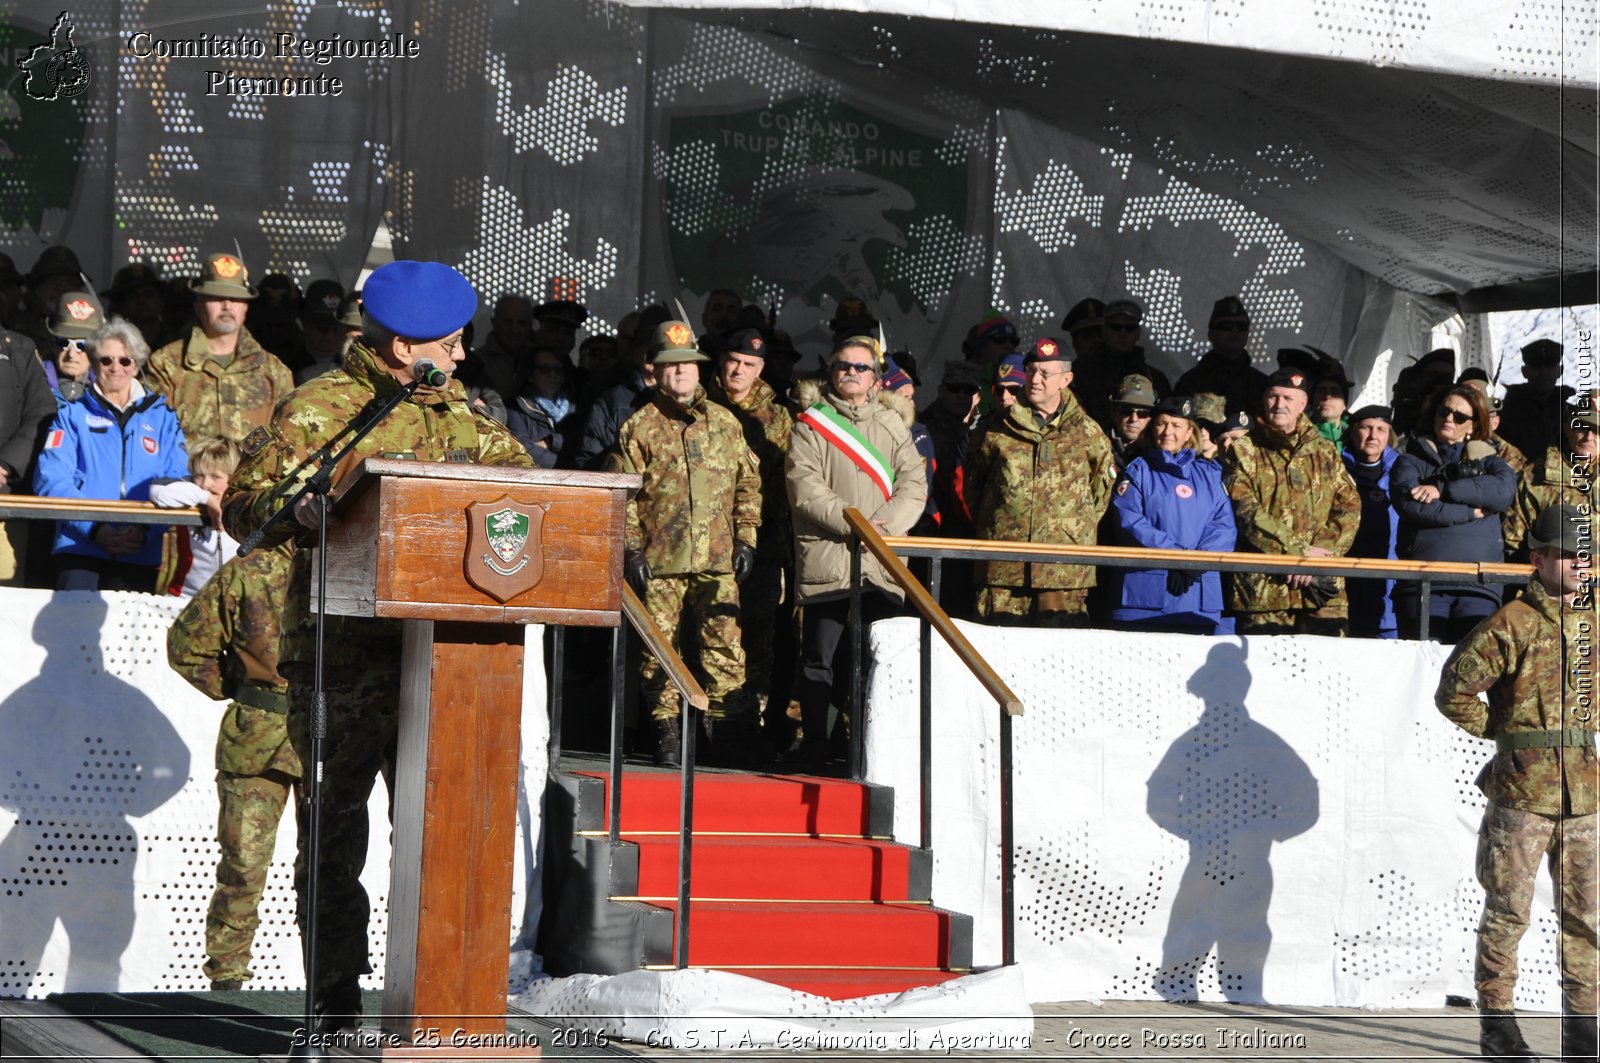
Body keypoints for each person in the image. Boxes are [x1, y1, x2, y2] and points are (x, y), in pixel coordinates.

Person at [222, 260, 533, 1033]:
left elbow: (535, 497)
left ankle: (437, 1000)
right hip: (342, 661)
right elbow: (241, 504)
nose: (462, 358)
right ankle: (332, 1002)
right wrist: (301, 509)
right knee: (335, 834)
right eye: (452, 344)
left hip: (451, 669)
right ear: (404, 348)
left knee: (444, 834)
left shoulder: (469, 419)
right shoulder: (321, 407)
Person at [1435, 503, 1597, 1063]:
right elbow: (1453, 690)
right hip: (1523, 796)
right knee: (1508, 911)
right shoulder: (1512, 624)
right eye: (1568, 554)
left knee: (1588, 919)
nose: (1581, 564)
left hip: (1585, 795)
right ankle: (1498, 1025)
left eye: (1587, 555)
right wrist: (1504, 733)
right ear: (1537, 559)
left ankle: (1584, 1030)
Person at [616, 320, 762, 765]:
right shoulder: (638, 427)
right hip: (660, 561)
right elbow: (623, 495)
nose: (680, 373)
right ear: (653, 372)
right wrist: (631, 548)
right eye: (669, 366)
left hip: (717, 559)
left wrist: (746, 538)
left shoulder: (725, 423)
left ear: (701, 370)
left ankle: (728, 738)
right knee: (658, 650)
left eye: (687, 365)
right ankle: (666, 735)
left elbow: (748, 485)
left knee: (724, 648)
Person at [787, 335, 927, 771]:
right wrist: (856, 524)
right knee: (820, 660)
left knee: (871, 662)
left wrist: (881, 526)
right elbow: (804, 488)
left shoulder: (892, 427)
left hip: (880, 561)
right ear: (832, 372)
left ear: (876, 379)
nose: (851, 372)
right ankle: (816, 748)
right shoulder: (811, 425)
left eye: (860, 368)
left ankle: (864, 752)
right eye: (843, 366)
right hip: (831, 554)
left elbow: (914, 485)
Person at [166, 539, 300, 992]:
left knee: (330, 872)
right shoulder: (248, 570)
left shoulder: (353, 561)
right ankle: (227, 982)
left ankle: (332, 990)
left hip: (331, 732)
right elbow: (187, 646)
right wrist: (240, 690)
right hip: (258, 736)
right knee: (243, 866)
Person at [964, 337, 1115, 627]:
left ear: (1066, 379)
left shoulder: (1087, 433)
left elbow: (1100, 492)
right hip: (1004, 569)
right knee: (995, 657)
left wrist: (1065, 529)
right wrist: (1003, 525)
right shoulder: (995, 428)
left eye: (1046, 373)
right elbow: (975, 487)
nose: (1035, 379)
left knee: (1059, 660)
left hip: (1063, 571)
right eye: (1031, 370)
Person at [33, 317, 191, 591]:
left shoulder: (163, 418)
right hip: (79, 551)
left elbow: (179, 481)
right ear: (94, 363)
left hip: (140, 552)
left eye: (125, 361)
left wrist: (145, 532)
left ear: (137, 364)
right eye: (106, 360)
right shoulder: (71, 416)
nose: (115, 367)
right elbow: (51, 479)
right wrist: (94, 528)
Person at [1221, 366, 1361, 635]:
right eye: (1273, 396)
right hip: (1266, 590)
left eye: (1288, 398)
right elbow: (1246, 513)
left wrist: (1318, 555)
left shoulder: (1324, 451)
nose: (1279, 404)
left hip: (1323, 590)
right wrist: (1298, 552)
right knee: (1266, 672)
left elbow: (1349, 507)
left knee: (1325, 672)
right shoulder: (1243, 450)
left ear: (1303, 404)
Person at [707, 327, 795, 740]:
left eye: (750, 365)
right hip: (703, 544)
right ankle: (706, 722)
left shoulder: (778, 417)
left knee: (757, 636)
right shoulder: (699, 405)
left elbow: (784, 483)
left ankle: (750, 725)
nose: (739, 370)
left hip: (764, 546)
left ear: (761, 369)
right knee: (705, 631)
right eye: (734, 361)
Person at [1389, 384, 1517, 643]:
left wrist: (1442, 489)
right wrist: (1471, 511)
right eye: (1443, 412)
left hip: (1478, 587)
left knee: (1470, 673)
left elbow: (1503, 492)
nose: (1448, 419)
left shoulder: (1490, 462)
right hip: (1423, 585)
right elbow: (1416, 508)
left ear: (1472, 425)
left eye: (1459, 417)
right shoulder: (1409, 460)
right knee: (1421, 669)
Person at [1109, 396, 1236, 634]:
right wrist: (1178, 558)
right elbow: (1131, 523)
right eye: (1161, 424)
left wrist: (1196, 564)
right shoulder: (1137, 472)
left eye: (1177, 426)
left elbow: (1224, 527)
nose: (1168, 432)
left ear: (1189, 433)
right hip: (1145, 599)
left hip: (1198, 596)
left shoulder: (1209, 475)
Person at [142, 252, 294, 445]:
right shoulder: (165, 364)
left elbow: (287, 442)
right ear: (198, 306)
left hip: (251, 475)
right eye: (216, 297)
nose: (227, 306)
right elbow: (149, 436)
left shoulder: (274, 371)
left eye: (236, 299)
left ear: (246, 308)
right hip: (187, 475)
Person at [0, 297, 55, 586]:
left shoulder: (19, 349)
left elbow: (42, 412)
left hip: (4, 502)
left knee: (3, 607)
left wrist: (7, 464)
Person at [1504, 398, 1600, 559]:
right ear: (1567, 428)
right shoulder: (1534, 478)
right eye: (1581, 427)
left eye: (1597, 430)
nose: (1588, 437)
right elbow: (1514, 543)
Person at [153, 435, 241, 598]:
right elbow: (158, 491)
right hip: (184, 599)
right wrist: (207, 499)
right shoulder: (189, 490)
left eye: (216, 477)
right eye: (199, 475)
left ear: (234, 477)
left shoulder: (247, 502)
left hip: (230, 603)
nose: (205, 484)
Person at [1340, 406, 1401, 639]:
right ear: (1353, 432)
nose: (1373, 436)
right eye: (1366, 428)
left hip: (1389, 579)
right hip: (1345, 578)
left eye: (1381, 429)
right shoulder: (1333, 469)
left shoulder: (1404, 472)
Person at [1073, 298, 1171, 427]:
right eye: (1116, 327)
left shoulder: (1155, 378)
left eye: (1130, 328)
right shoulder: (1081, 372)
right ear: (1104, 331)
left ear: (1138, 333)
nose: (1123, 333)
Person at [1173, 296, 1269, 419]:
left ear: (1248, 333)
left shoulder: (1262, 383)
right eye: (1226, 326)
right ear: (1210, 334)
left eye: (1241, 326)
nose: (1234, 331)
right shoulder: (1191, 382)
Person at [1498, 339, 1573, 465]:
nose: (1543, 372)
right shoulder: (1503, 414)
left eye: (1549, 366)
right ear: (1524, 371)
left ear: (1560, 371)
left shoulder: (1572, 415)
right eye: (1536, 366)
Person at [507, 342, 582, 467]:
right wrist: (567, 467)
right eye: (545, 370)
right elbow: (521, 451)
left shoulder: (577, 410)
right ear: (530, 375)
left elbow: (581, 446)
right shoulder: (515, 408)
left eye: (558, 370)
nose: (552, 375)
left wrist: (552, 441)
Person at [460, 293, 534, 402]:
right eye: (508, 322)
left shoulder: (540, 362)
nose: (515, 330)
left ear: (530, 325)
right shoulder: (477, 364)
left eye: (521, 323)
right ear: (494, 322)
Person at [1105, 373, 1156, 472]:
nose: (1134, 419)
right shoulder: (1094, 444)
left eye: (1142, 413)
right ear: (1114, 413)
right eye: (1126, 411)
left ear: (1151, 418)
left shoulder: (1156, 454)